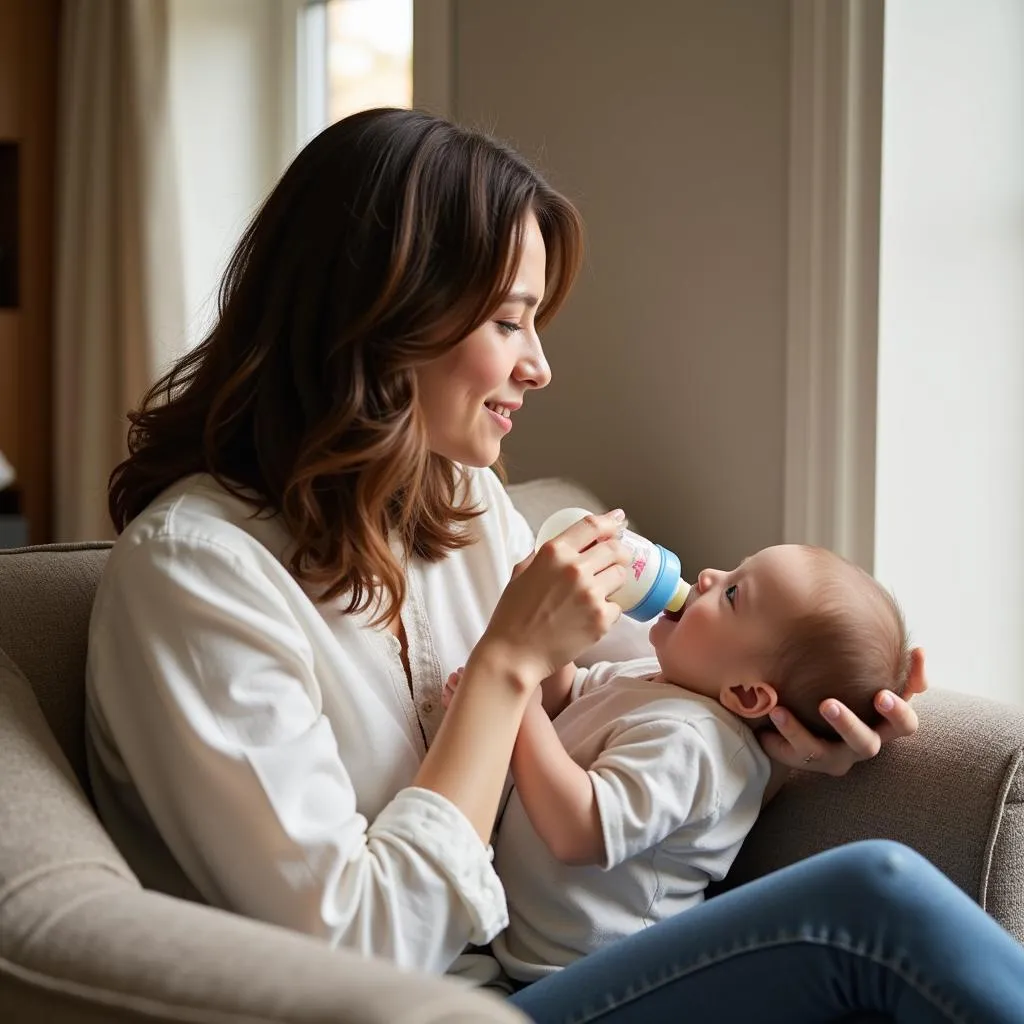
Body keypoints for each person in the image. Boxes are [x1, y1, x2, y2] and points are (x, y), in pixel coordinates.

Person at [84, 108, 1024, 1022]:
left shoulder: (453, 501)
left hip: (528, 979)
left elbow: (665, 688)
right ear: (383, 320)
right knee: (875, 903)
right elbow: (353, 959)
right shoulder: (197, 578)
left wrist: (786, 735)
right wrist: (501, 671)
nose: (539, 366)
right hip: (442, 1004)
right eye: (508, 322)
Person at [440, 544, 911, 980]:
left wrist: (517, 698)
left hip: (613, 978)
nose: (707, 575)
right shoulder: (650, 679)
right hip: (535, 964)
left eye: (732, 593)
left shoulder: (694, 742)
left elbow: (578, 829)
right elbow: (566, 700)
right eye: (732, 569)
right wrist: (544, 641)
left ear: (747, 694)